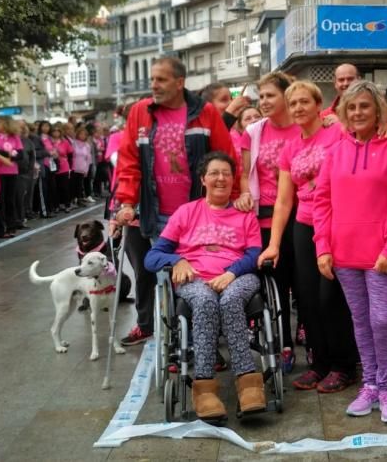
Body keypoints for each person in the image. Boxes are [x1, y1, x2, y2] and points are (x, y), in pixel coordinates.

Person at [313, 80, 387, 424]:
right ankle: (370, 384)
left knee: (382, 320)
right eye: (352, 107)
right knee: (360, 321)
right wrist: (323, 247)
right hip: (344, 254)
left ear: (378, 111)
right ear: (343, 112)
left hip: (383, 256)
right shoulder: (334, 153)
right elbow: (322, 202)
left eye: (364, 106)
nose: (358, 112)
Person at [115, 56, 237, 347]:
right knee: (170, 280)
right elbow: (129, 161)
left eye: (161, 79)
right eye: (152, 79)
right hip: (157, 214)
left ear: (179, 82)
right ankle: (178, 340)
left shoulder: (205, 113)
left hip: (198, 213)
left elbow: (225, 158)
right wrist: (127, 201)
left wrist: (230, 201)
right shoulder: (140, 113)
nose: (153, 85)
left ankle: (200, 340)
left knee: (198, 277)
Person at [144, 152, 268, 423]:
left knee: (230, 299)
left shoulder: (244, 214)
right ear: (203, 179)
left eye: (226, 173)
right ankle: (204, 388)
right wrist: (177, 260)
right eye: (214, 173)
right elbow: (151, 258)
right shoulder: (186, 212)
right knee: (205, 300)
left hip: (239, 277)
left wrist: (231, 273)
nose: (220, 178)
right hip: (196, 279)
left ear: (233, 178)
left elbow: (254, 254)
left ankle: (249, 385)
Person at [258, 80, 359, 393]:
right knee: (308, 298)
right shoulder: (291, 148)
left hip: (338, 222)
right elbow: (284, 200)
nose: (299, 108)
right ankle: (320, 364)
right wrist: (274, 243)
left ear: (319, 106)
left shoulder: (337, 133)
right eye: (293, 104)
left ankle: (344, 365)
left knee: (332, 297)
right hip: (305, 225)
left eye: (304, 102)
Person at [235, 72, 300, 372]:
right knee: (276, 283)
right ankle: (284, 345)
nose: (263, 102)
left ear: (286, 96)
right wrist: (246, 195)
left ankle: (309, 334)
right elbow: (245, 173)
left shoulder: (303, 126)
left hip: (302, 214)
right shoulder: (255, 131)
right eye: (261, 96)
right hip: (265, 216)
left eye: (270, 95)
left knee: (305, 284)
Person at [70, 125, 93, 207]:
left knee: (80, 185)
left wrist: (86, 170)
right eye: (81, 134)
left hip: (82, 168)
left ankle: (79, 199)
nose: (82, 136)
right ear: (77, 134)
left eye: (84, 134)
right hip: (74, 167)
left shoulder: (87, 145)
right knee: (73, 184)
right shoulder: (73, 143)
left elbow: (88, 159)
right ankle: (73, 200)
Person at [51, 125, 72, 213]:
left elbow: (70, 153)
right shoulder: (49, 142)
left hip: (63, 166)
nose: (56, 133)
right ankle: (57, 205)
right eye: (54, 131)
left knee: (64, 187)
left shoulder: (65, 142)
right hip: (53, 166)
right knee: (55, 188)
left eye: (58, 131)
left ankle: (67, 204)